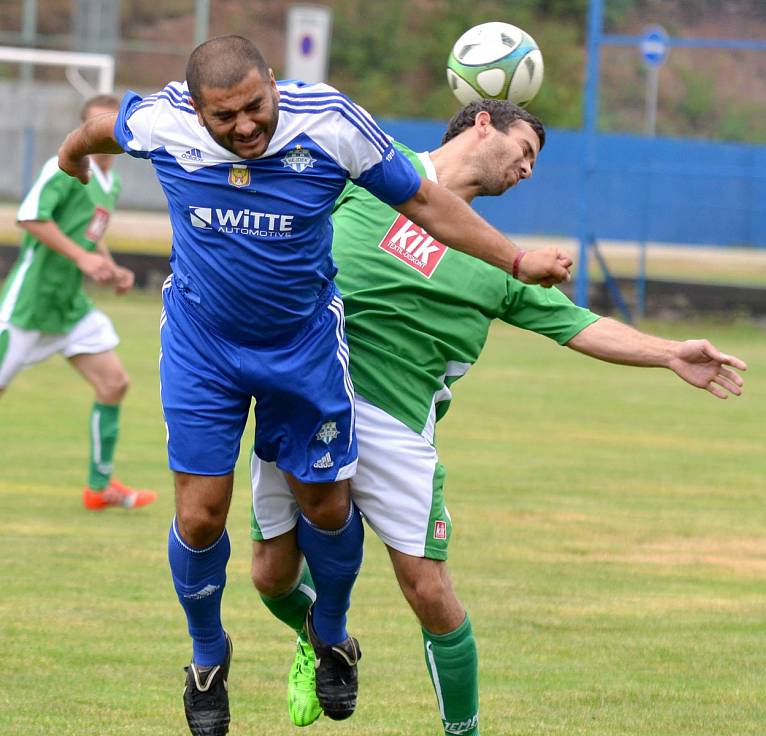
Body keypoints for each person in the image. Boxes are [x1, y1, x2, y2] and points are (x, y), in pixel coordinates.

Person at [56, 37, 572, 736]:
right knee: (200, 514)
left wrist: (516, 258)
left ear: (275, 83)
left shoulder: (329, 122)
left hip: (302, 347)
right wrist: (73, 155)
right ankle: (208, 657)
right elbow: (102, 126)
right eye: (223, 117)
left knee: (327, 508)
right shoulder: (161, 121)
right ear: (195, 111)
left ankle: (330, 634)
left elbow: (423, 199)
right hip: (202, 346)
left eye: (254, 108)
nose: (243, 127)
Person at [249, 100, 748, 734]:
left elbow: (581, 326)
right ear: (482, 122)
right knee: (270, 577)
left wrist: (670, 352)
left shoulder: (499, 260)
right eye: (527, 151)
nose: (529, 170)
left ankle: (466, 731)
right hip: (307, 390)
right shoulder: (375, 167)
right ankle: (321, 638)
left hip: (394, 423)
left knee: (429, 589)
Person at [0, 94, 157, 512]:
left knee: (114, 383)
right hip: (31, 303)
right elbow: (31, 218)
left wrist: (109, 265)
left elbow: (92, 231)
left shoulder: (113, 181)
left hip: (69, 306)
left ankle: (99, 487)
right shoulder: (61, 168)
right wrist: (82, 257)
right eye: (93, 127)